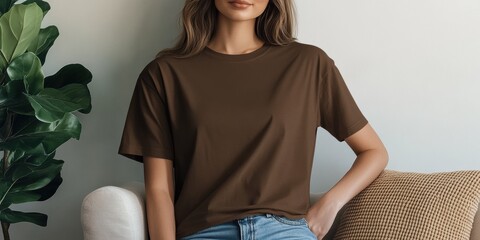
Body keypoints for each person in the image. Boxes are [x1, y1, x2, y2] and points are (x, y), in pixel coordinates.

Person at [118, 0, 389, 239]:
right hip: (205, 232)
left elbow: (373, 152)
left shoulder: (308, 64)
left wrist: (328, 206)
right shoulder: (163, 75)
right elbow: (159, 190)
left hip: (285, 232)